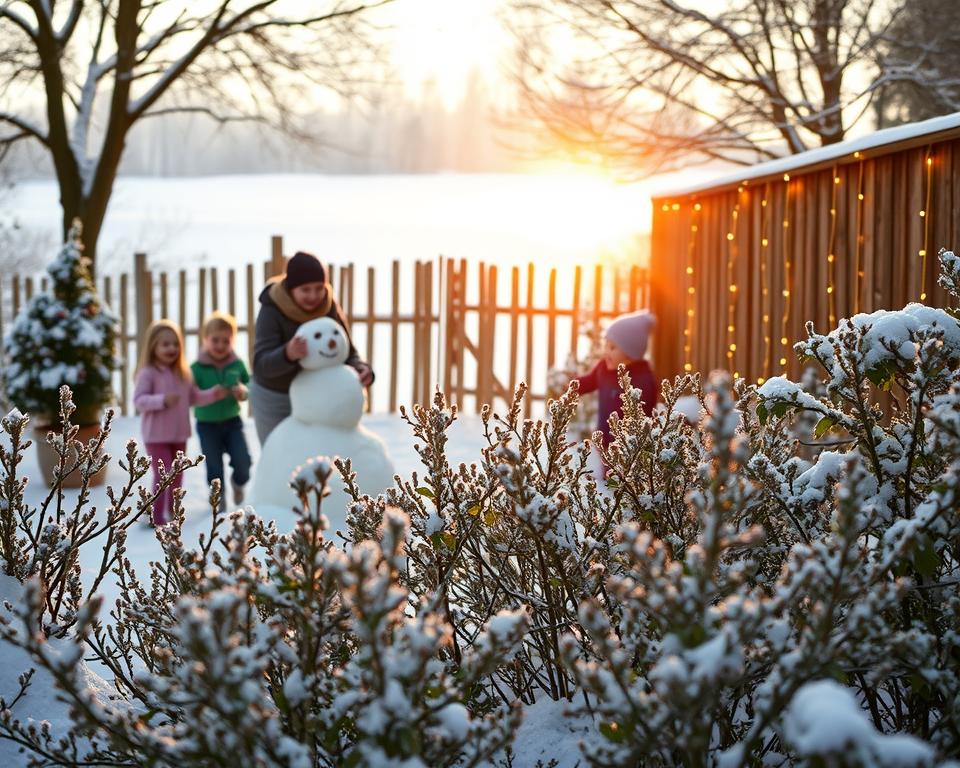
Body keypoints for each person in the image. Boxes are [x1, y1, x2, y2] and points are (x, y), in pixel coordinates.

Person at [250, 251, 374, 444]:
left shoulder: (329, 306)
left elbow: (346, 349)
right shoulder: (272, 309)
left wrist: (361, 368)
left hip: (317, 394)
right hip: (276, 396)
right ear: (291, 289)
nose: (314, 296)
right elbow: (261, 364)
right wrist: (287, 354)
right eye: (305, 290)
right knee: (279, 454)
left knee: (317, 455)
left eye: (319, 288)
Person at [133, 319, 228, 526]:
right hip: (156, 436)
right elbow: (138, 401)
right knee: (163, 473)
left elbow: (193, 397)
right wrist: (161, 400)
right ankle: (155, 516)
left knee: (176, 475)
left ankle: (172, 511)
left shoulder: (183, 373)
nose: (172, 348)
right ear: (153, 347)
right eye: (165, 344)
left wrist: (213, 394)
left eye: (175, 344)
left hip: (179, 434)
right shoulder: (148, 373)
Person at [191, 311, 252, 511]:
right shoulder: (197, 368)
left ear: (233, 341)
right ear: (205, 340)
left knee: (243, 461)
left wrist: (243, 392)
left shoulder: (237, 363)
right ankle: (219, 499)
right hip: (207, 424)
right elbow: (190, 394)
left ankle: (238, 482)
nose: (220, 345)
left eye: (225, 341)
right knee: (214, 465)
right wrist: (210, 394)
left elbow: (250, 384)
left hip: (232, 421)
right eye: (215, 340)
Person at [574, 310, 659, 450]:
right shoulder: (603, 368)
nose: (606, 351)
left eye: (612, 347)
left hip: (629, 448)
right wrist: (572, 385)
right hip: (605, 442)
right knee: (606, 471)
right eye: (606, 345)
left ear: (630, 352)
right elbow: (589, 381)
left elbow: (647, 411)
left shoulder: (642, 378)